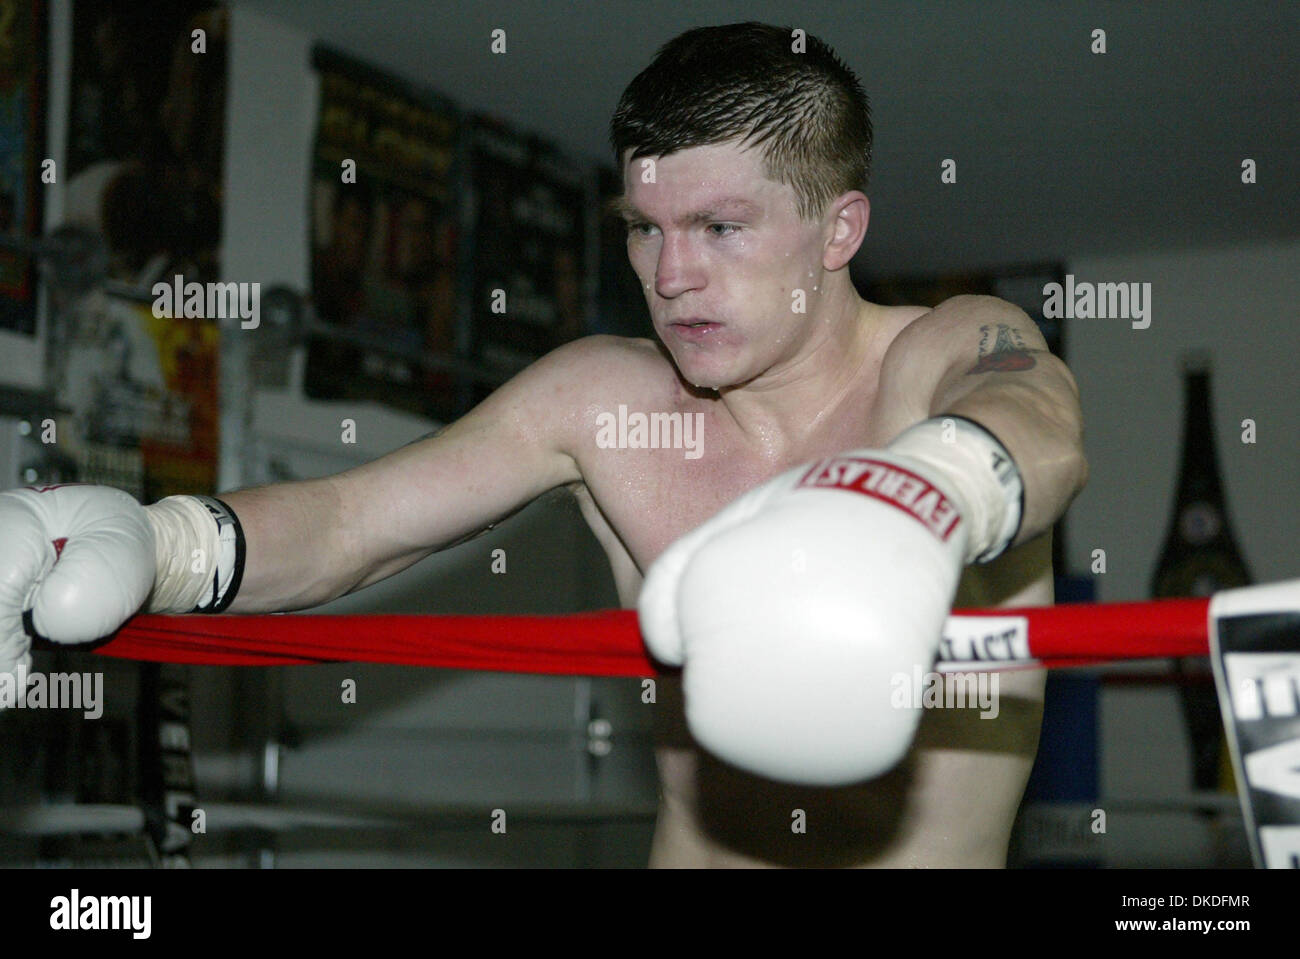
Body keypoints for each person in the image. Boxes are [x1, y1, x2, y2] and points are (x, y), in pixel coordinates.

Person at [0, 22, 1086, 867]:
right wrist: (165, 544)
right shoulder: (602, 398)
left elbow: (1030, 412)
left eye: (720, 227)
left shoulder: (936, 355)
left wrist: (915, 492)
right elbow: (349, 524)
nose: (671, 275)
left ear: (838, 229)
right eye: (644, 228)